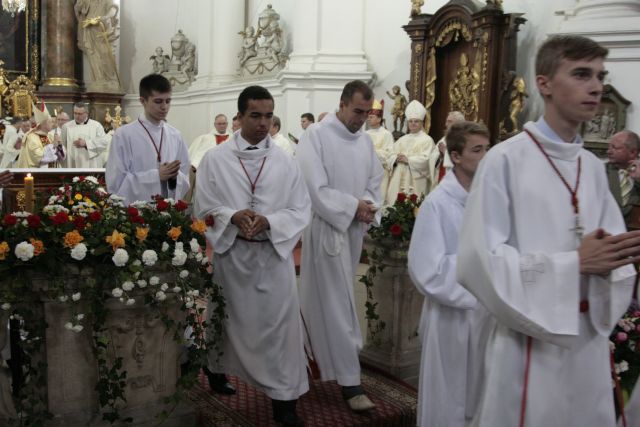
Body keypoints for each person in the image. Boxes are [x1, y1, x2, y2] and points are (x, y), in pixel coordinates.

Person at [457, 35, 640, 427]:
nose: (596, 87)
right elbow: (477, 263)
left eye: (599, 76)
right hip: (530, 345)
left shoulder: (592, 167)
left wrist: (617, 261)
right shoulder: (505, 161)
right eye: (580, 74)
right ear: (544, 84)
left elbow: (611, 258)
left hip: (588, 344)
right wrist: (573, 265)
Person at [195, 85, 310, 427]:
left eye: (268, 116)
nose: (263, 123)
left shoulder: (285, 161)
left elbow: (301, 208)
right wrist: (232, 215)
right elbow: (202, 205)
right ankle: (215, 368)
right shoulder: (215, 159)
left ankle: (284, 402)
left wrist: (270, 221)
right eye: (255, 116)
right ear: (240, 117)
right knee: (226, 321)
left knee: (282, 330)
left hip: (273, 258)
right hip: (233, 257)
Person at [297, 80, 382, 413]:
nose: (361, 118)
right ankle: (350, 380)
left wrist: (369, 205)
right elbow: (314, 187)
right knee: (338, 303)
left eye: (367, 112)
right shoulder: (315, 136)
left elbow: (375, 182)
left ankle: (305, 360)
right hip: (326, 231)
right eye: (357, 111)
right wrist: (353, 206)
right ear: (343, 104)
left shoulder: (365, 143)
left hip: (353, 231)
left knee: (327, 299)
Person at [408, 121, 491, 427]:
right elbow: (426, 271)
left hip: (488, 314)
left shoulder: (489, 198)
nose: (486, 155)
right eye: (477, 150)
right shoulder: (437, 205)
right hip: (451, 319)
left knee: (481, 396)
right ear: (455, 156)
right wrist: (484, 274)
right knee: (450, 398)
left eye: (488, 148)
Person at [106, 74, 190, 205]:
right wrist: (156, 176)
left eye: (168, 101)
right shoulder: (124, 135)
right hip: (135, 215)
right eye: (158, 101)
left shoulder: (175, 135)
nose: (164, 107)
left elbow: (185, 176)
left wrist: (174, 177)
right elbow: (116, 183)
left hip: (168, 212)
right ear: (142, 101)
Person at [385, 100, 439, 205]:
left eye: (416, 121)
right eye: (410, 121)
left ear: (422, 123)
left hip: (416, 181)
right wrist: (395, 158)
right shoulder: (402, 139)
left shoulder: (427, 140)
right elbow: (389, 155)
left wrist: (408, 160)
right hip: (398, 179)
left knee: (413, 208)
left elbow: (428, 161)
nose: (413, 123)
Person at [606, 130, 640, 227]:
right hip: (606, 234)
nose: (609, 151)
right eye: (609, 147)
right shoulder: (600, 172)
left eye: (615, 148)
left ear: (633, 152)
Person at [16, 103, 65, 168]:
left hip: (54, 172)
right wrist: (53, 145)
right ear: (43, 124)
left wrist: (59, 146)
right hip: (39, 173)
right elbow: (38, 157)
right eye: (50, 122)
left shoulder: (50, 136)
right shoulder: (32, 137)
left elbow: (61, 157)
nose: (53, 124)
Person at [61, 103, 109, 168]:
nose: (77, 116)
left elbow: (103, 142)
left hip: (91, 164)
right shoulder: (66, 127)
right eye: (75, 113)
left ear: (86, 113)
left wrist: (86, 143)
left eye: (80, 114)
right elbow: (63, 146)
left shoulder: (96, 126)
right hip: (72, 163)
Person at [365, 99, 394, 203]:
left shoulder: (386, 134)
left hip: (381, 173)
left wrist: (373, 152)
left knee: (379, 200)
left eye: (371, 117)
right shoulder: (365, 134)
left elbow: (389, 155)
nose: (368, 119)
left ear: (379, 118)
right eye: (368, 117)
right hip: (366, 172)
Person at [434, 111, 465, 183]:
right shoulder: (444, 139)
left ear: (458, 124)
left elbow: (463, 162)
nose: (446, 124)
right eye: (446, 121)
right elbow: (433, 159)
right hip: (441, 177)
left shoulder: (463, 140)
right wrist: (440, 155)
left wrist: (445, 152)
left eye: (449, 122)